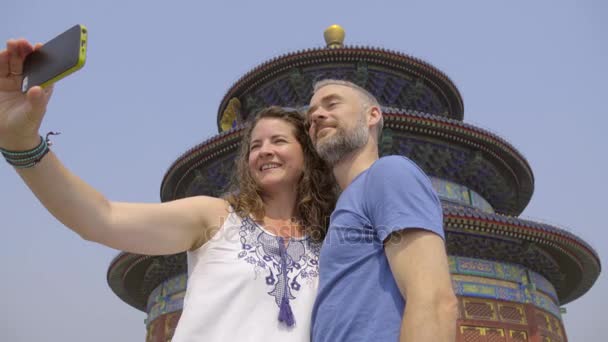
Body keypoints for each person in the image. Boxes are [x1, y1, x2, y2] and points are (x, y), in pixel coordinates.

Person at [0, 39, 336, 341]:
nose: (264, 151)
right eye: (255, 145)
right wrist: (22, 144)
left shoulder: (328, 247)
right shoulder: (217, 217)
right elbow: (102, 218)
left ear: (306, 156)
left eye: (279, 141)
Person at [307, 79, 458, 342]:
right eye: (310, 117)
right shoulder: (345, 206)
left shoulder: (388, 173)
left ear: (372, 115)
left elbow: (433, 300)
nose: (317, 116)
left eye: (332, 104)